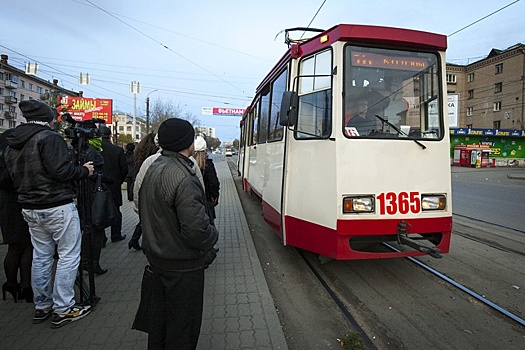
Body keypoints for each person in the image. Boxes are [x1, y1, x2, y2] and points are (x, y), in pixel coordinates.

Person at [3, 100, 94, 327]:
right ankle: (64, 307)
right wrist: (84, 170)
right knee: (68, 256)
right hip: (56, 205)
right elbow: (60, 171)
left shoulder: (12, 141)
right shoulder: (48, 137)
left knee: (41, 256)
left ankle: (42, 305)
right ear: (47, 118)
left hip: (29, 207)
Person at [138, 118, 218, 349]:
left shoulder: (154, 166)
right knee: (183, 327)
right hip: (182, 266)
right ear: (187, 142)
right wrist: (212, 237)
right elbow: (196, 230)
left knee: (160, 324)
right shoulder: (184, 177)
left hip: (157, 258)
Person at [0, 128, 33, 303]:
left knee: (19, 246)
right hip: (19, 202)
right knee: (23, 246)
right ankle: (22, 285)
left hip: (10, 204)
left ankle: (17, 285)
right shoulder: (15, 158)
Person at [128, 133, 159, 251]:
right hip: (149, 188)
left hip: (139, 185)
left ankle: (134, 240)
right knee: (148, 219)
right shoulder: (153, 157)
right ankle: (141, 242)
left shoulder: (140, 153)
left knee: (144, 218)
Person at [99, 126, 128, 244]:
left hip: (98, 184)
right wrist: (119, 181)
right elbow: (124, 169)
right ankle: (116, 235)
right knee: (116, 209)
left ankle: (101, 238)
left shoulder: (94, 150)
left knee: (99, 210)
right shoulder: (117, 150)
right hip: (114, 184)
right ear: (110, 136)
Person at [193, 136, 220, 222]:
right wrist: (214, 197)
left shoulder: (188, 163)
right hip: (207, 202)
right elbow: (214, 183)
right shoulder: (208, 165)